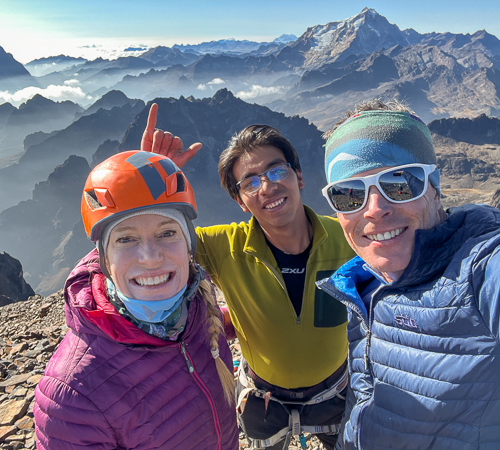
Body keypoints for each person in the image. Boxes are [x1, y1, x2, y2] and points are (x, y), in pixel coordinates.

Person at [142, 104, 356, 449]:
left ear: (299, 176)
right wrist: (146, 181)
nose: (267, 187)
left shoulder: (348, 238)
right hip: (263, 400)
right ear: (240, 200)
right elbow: (142, 252)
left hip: (335, 393)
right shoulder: (224, 247)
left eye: (276, 171)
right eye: (250, 182)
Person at [317, 100, 500, 449]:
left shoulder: (485, 266)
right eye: (348, 195)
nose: (374, 210)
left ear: (433, 187)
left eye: (399, 183)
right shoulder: (366, 284)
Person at [33, 151, 238, 450]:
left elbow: (207, 328)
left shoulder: (195, 306)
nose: (151, 258)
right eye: (125, 239)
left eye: (167, 232)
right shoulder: (71, 396)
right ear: (104, 258)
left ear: (189, 245)